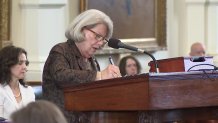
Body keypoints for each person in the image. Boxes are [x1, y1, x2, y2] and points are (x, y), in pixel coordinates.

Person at [42, 9, 121, 123]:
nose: (100, 43)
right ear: (82, 28)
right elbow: (61, 76)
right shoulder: (60, 51)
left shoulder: (92, 61)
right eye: (97, 36)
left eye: (103, 39)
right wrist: (99, 75)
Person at [0, 45, 35, 120]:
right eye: (20, 63)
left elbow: (33, 118)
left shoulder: (29, 90)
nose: (25, 67)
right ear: (8, 65)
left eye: (25, 63)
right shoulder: (1, 90)